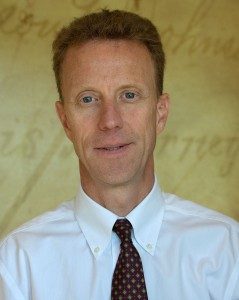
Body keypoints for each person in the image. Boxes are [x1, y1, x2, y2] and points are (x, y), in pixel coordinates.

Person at [0, 9, 238, 300]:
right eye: (88, 99)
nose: (110, 120)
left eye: (129, 95)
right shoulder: (17, 264)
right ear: (65, 121)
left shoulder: (228, 250)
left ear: (160, 113)